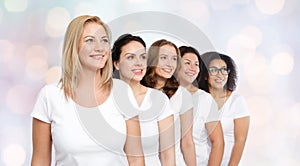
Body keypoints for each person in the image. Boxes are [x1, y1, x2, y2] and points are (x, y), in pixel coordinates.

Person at [31, 15, 145, 166]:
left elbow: (136, 158)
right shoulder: (50, 96)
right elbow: (40, 160)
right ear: (74, 47)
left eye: (104, 40)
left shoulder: (122, 92)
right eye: (90, 40)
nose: (100, 47)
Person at [112, 34, 175, 165]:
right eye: (130, 57)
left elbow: (168, 155)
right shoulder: (107, 98)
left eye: (143, 57)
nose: (139, 63)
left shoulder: (159, 100)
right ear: (116, 64)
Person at [141, 39, 196, 166]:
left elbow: (187, 141)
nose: (170, 64)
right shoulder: (139, 90)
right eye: (164, 57)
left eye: (174, 59)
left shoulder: (182, 95)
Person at [198, 51, 250, 166]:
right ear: (205, 75)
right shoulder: (199, 100)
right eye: (213, 70)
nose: (220, 75)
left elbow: (240, 141)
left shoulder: (236, 101)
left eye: (224, 69)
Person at [177, 46, 224, 165]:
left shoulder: (205, 99)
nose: (192, 68)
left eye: (196, 64)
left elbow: (218, 142)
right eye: (187, 63)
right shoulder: (164, 95)